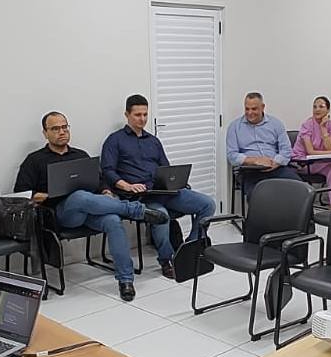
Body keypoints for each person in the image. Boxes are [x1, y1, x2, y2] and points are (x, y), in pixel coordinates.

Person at [16, 112, 167, 302]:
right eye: (55, 129)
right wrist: (48, 195)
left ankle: (125, 280)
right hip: (59, 215)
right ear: (45, 133)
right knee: (79, 196)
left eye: (65, 127)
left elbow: (100, 181)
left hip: (89, 210)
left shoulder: (81, 155)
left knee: (112, 220)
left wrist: (105, 192)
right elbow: (21, 194)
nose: (61, 132)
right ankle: (135, 210)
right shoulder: (35, 160)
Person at [102, 94, 216, 279]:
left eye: (145, 114)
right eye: (138, 115)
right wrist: (128, 186)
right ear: (127, 114)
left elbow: (166, 168)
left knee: (207, 204)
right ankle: (167, 260)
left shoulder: (153, 141)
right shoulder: (115, 140)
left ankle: (189, 249)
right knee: (161, 216)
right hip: (140, 196)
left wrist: (174, 182)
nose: (142, 119)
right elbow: (107, 170)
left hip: (163, 190)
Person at [225, 91, 300, 197]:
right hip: (250, 171)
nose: (250, 113)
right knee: (258, 196)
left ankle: (302, 214)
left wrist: (275, 163)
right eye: (247, 109)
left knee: (302, 189)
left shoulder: (275, 124)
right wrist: (255, 161)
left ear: (263, 107)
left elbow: (286, 150)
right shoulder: (234, 127)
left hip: (276, 168)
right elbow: (232, 156)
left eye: (254, 109)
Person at [291, 96, 331, 196]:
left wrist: (323, 128)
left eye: (321, 107)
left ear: (328, 110)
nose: (317, 109)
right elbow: (310, 151)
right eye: (314, 107)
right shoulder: (307, 125)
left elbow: (328, 147)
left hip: (320, 162)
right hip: (302, 163)